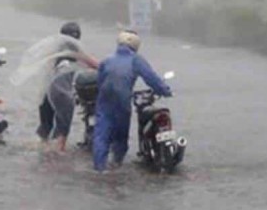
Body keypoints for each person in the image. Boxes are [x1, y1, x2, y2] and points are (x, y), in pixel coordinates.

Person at [93, 29, 172, 172]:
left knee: (101, 135)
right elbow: (151, 78)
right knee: (121, 135)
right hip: (122, 101)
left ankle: (100, 169)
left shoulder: (106, 60)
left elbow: (99, 82)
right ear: (136, 45)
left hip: (104, 101)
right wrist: (165, 91)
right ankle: (116, 165)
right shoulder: (136, 60)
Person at [32, 21, 99, 142]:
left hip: (45, 92)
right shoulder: (74, 49)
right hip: (60, 93)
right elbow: (93, 63)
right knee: (62, 128)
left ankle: (41, 153)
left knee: (45, 126)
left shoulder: (54, 48)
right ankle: (59, 155)